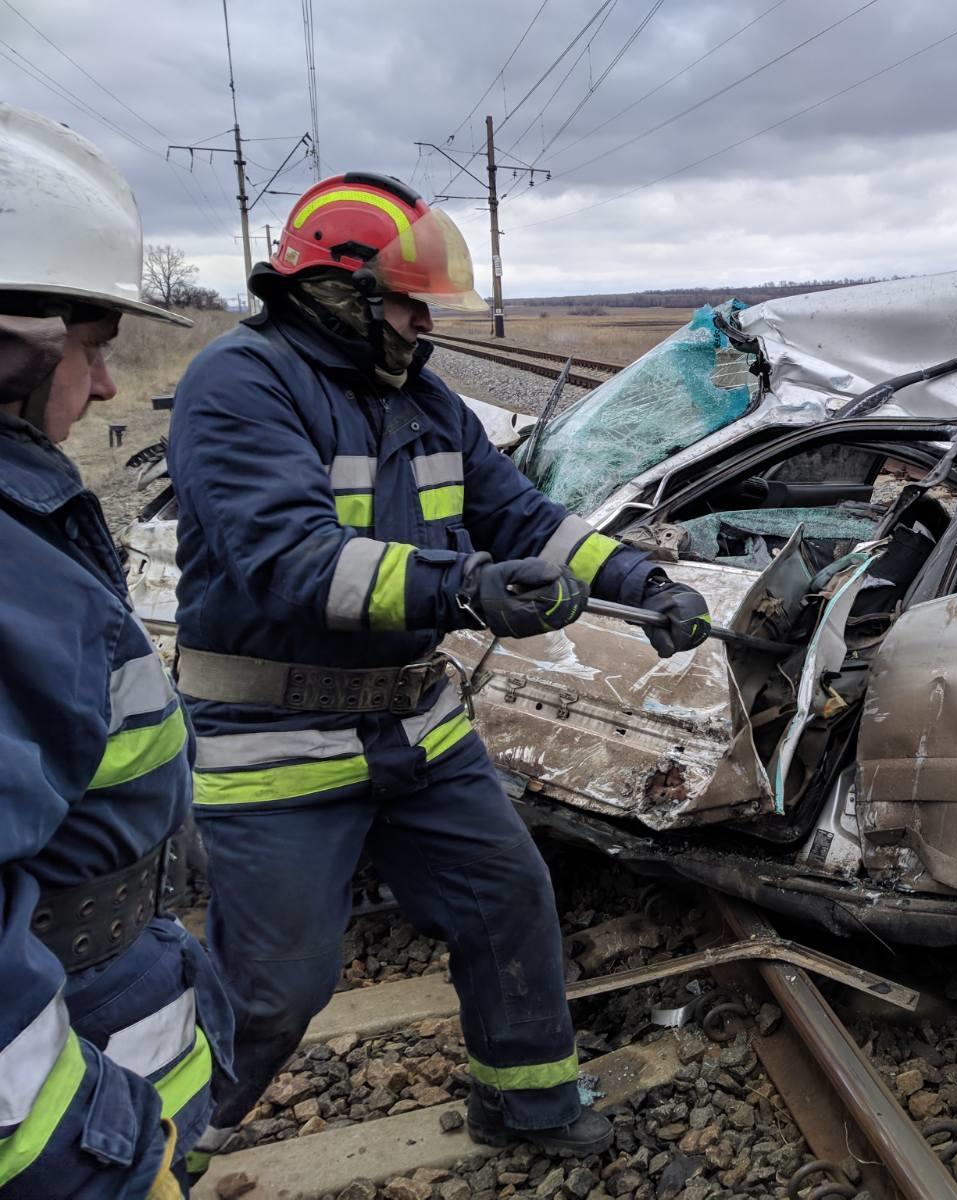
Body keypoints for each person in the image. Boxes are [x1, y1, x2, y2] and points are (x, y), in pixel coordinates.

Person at [165, 173, 712, 1161]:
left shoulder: (421, 398)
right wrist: (465, 588)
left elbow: (524, 520)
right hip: (275, 742)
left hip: (418, 725)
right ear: (342, 291)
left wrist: (644, 582)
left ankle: (530, 1106)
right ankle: (157, 1147)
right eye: (413, 301)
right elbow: (292, 562)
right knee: (278, 984)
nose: (428, 323)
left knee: (506, 898)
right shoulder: (240, 384)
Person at [0, 103, 232, 1198]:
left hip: (116, 1036)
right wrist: (107, 1165)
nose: (102, 388)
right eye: (89, 349)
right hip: (84, 1134)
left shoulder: (28, 525)